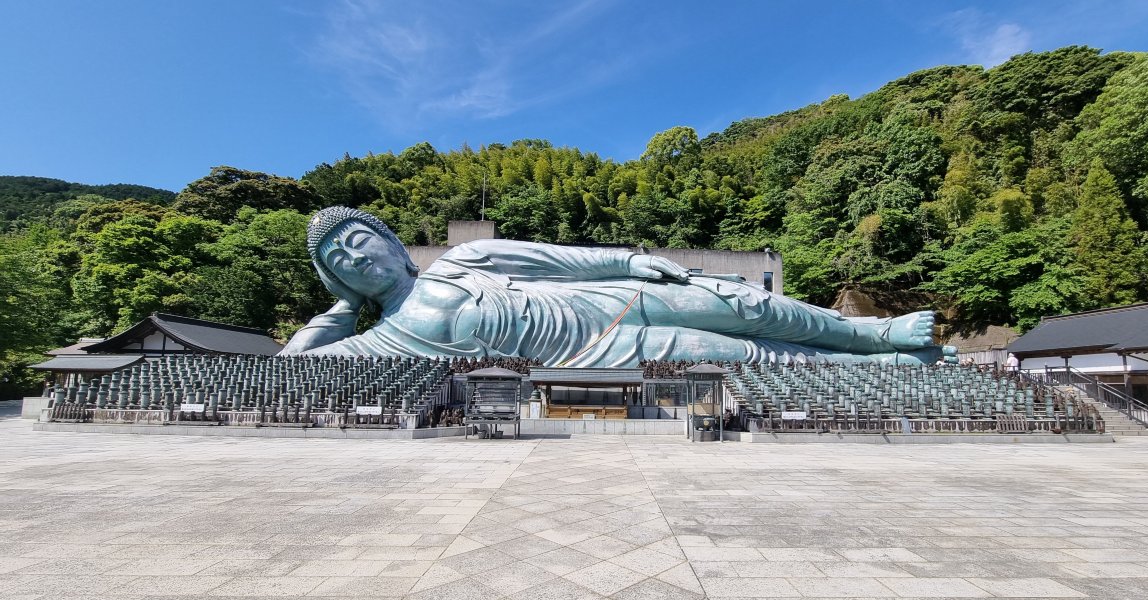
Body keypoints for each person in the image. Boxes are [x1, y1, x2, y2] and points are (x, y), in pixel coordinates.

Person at [281, 207, 956, 368]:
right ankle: (874, 363)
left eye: (358, 238)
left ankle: (873, 333)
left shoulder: (470, 256)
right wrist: (342, 310)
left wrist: (630, 263)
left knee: (735, 301)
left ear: (394, 242)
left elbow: (561, 260)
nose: (354, 255)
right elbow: (289, 371)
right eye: (338, 258)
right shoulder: (384, 340)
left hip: (598, 302)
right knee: (735, 353)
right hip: (593, 352)